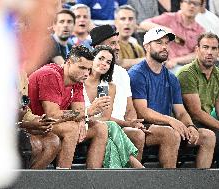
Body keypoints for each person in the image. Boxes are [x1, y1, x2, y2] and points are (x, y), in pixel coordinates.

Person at [128, 27, 216, 168]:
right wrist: (171, 121)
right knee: (170, 133)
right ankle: (169, 182)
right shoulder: (137, 73)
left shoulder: (171, 78)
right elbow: (142, 111)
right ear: (146, 46)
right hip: (143, 127)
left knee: (207, 136)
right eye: (158, 43)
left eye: (166, 43)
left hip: (168, 126)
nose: (164, 47)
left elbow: (181, 112)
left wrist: (190, 126)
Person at [28, 45, 108, 168]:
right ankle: (65, 179)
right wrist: (87, 112)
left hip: (53, 124)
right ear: (69, 63)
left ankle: (94, 179)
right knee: (72, 128)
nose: (86, 74)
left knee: (100, 128)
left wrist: (82, 119)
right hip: (33, 123)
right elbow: (52, 115)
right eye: (82, 68)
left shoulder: (77, 80)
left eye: (89, 69)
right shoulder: (50, 75)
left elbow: (79, 111)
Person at [90, 25, 146, 161]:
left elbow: (130, 108)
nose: (117, 47)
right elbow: (103, 117)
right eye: (112, 43)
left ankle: (133, 178)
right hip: (100, 124)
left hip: (118, 124)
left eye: (118, 43)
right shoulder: (87, 74)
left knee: (138, 133)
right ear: (97, 48)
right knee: (132, 134)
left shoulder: (121, 73)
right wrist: (128, 124)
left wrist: (134, 122)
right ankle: (137, 176)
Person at [176, 32, 219, 167]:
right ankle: (205, 181)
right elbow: (196, 113)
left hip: (207, 123)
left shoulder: (217, 74)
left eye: (214, 48)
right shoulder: (187, 73)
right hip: (187, 124)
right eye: (205, 47)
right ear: (197, 50)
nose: (209, 52)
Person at [140, 0, 205, 73]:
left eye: (196, 4)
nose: (192, 6)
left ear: (200, 8)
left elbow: (197, 54)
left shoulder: (200, 30)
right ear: (181, 4)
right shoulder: (170, 18)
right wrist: (164, 29)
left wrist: (176, 60)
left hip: (185, 65)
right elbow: (143, 24)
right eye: (189, 2)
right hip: (163, 63)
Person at [114, 5, 145, 69]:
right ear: (115, 22)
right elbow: (118, 63)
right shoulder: (108, 43)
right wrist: (148, 60)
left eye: (130, 19)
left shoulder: (137, 48)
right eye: (123, 19)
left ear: (135, 23)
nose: (127, 22)